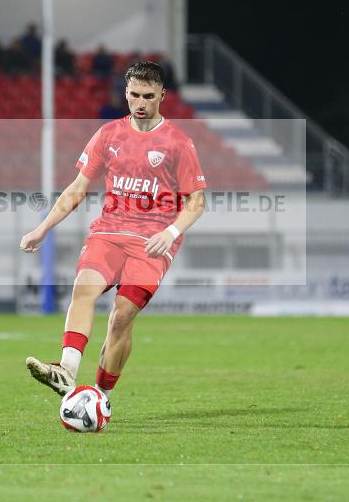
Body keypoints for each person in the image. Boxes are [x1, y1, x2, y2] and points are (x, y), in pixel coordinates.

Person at [20, 61, 208, 398]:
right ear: (125, 93)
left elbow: (197, 201)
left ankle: (100, 396)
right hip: (108, 233)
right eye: (134, 94)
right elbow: (78, 187)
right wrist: (42, 228)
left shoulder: (178, 143)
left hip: (152, 242)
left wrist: (170, 233)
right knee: (83, 289)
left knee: (122, 316)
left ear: (162, 95)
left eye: (148, 96)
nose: (140, 103)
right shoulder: (108, 135)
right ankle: (66, 370)